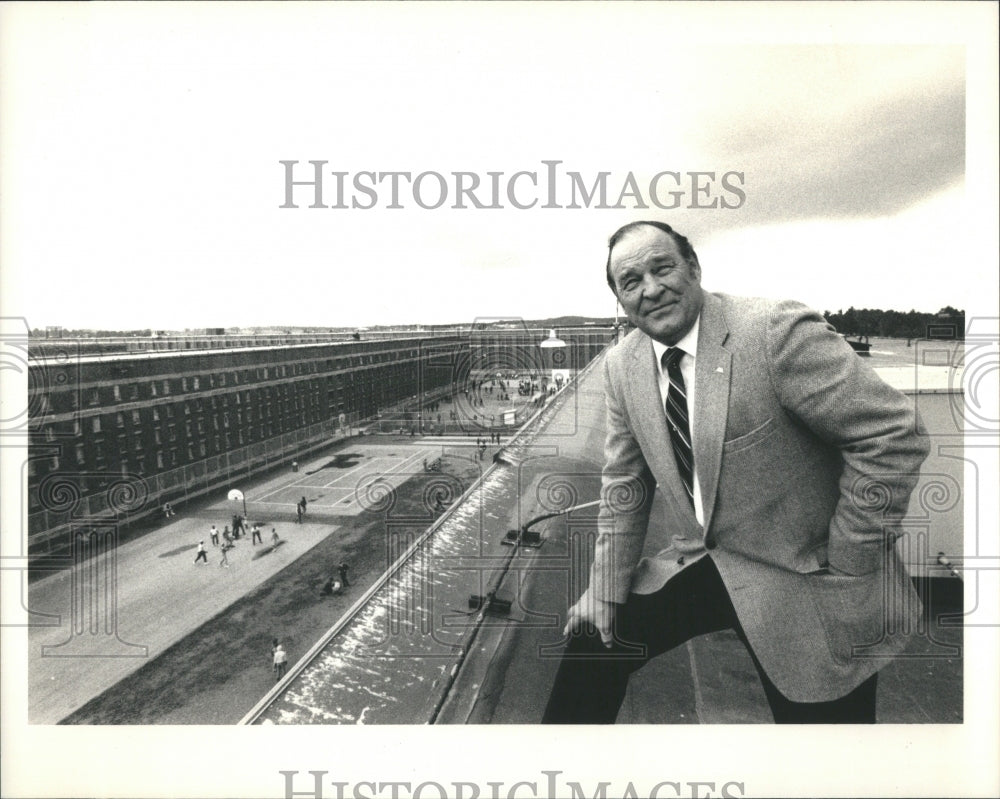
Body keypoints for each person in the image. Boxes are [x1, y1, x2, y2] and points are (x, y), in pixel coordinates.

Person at [541, 220, 929, 725]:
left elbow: (891, 435)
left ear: (694, 267)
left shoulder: (773, 333)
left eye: (663, 268)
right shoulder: (624, 366)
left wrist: (852, 558)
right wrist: (603, 590)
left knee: (824, 755)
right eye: (631, 281)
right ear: (619, 298)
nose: (651, 289)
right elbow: (625, 486)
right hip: (711, 560)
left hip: (805, 573)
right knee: (594, 641)